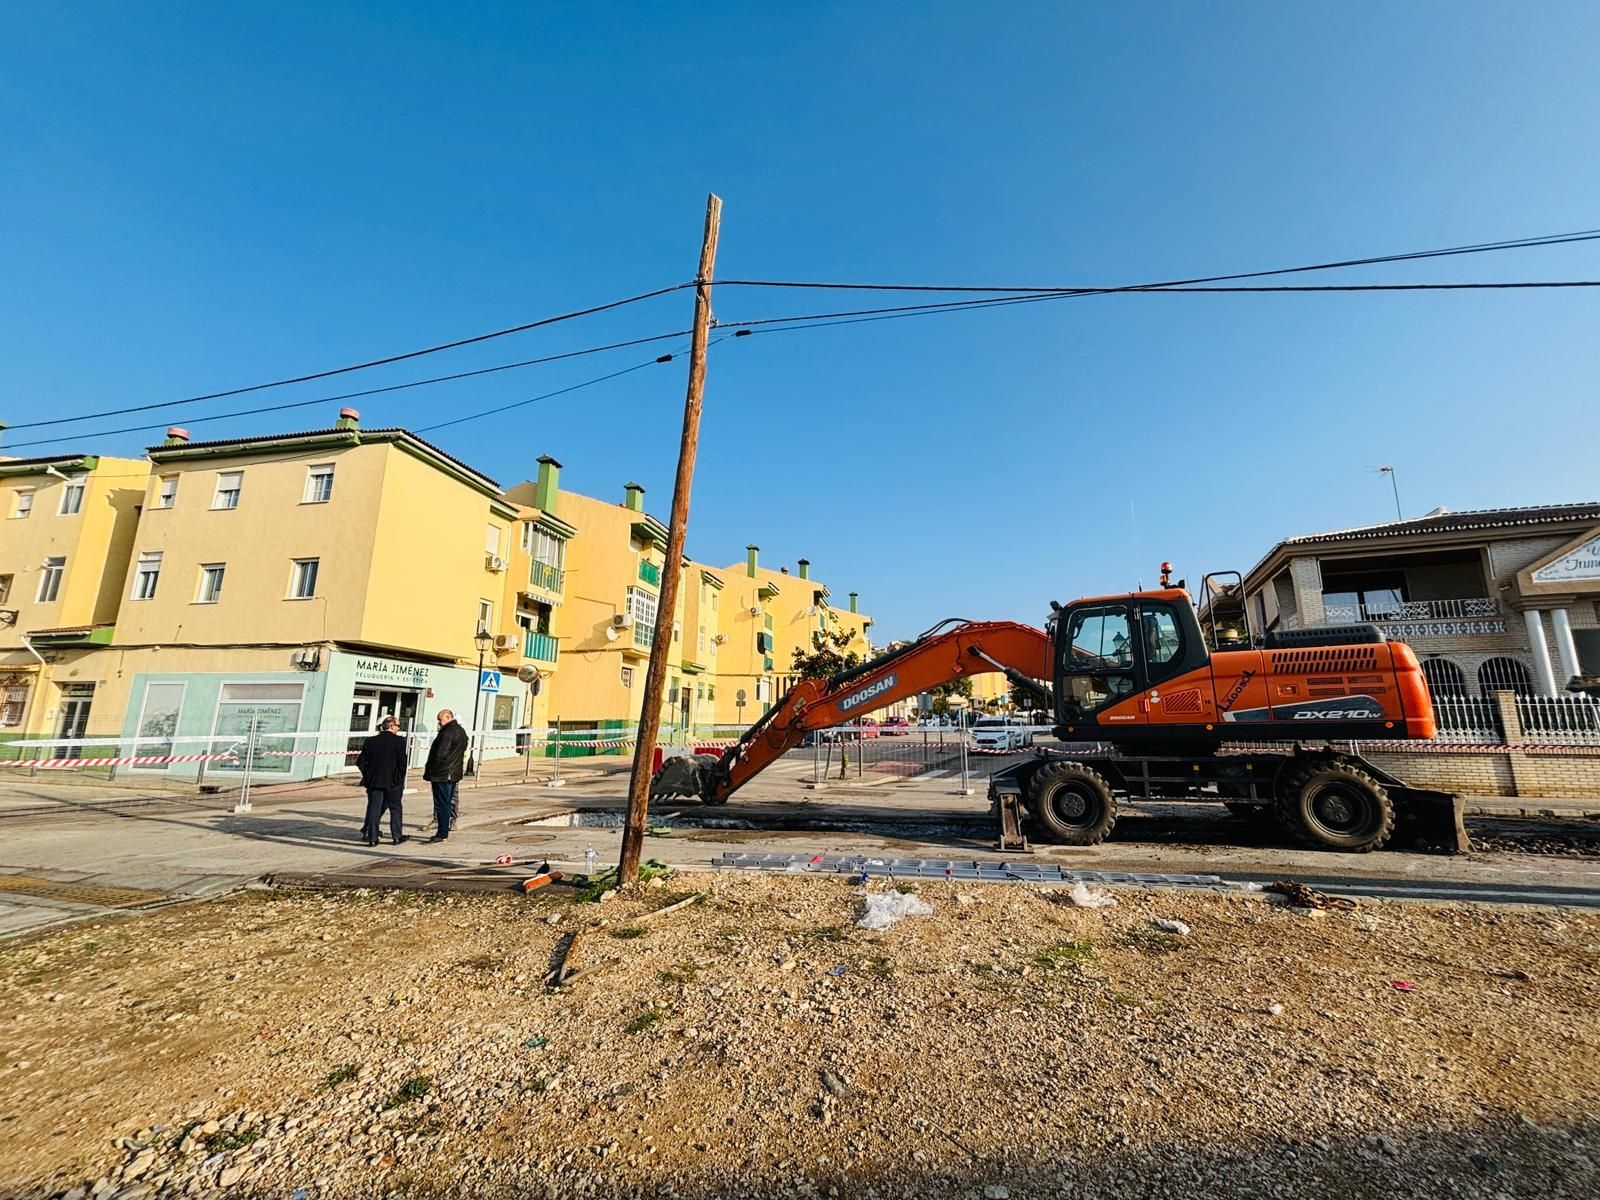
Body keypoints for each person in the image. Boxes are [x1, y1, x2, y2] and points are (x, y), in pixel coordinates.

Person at [356, 715, 408, 846]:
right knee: (395, 808)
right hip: (393, 782)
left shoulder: (370, 741)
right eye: (397, 726)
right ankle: (396, 836)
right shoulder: (399, 742)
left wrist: (368, 775)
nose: (398, 729)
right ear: (391, 726)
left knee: (374, 808)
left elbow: (360, 762)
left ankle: (372, 838)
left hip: (375, 781)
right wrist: (399, 778)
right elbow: (402, 764)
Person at [423, 708, 468, 843]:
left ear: (448, 717)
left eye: (440, 720)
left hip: (442, 774)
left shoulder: (447, 733)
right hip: (453, 773)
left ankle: (442, 833)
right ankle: (445, 829)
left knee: (442, 804)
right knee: (447, 802)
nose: (439, 723)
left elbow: (440, 754)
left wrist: (431, 771)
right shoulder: (461, 731)